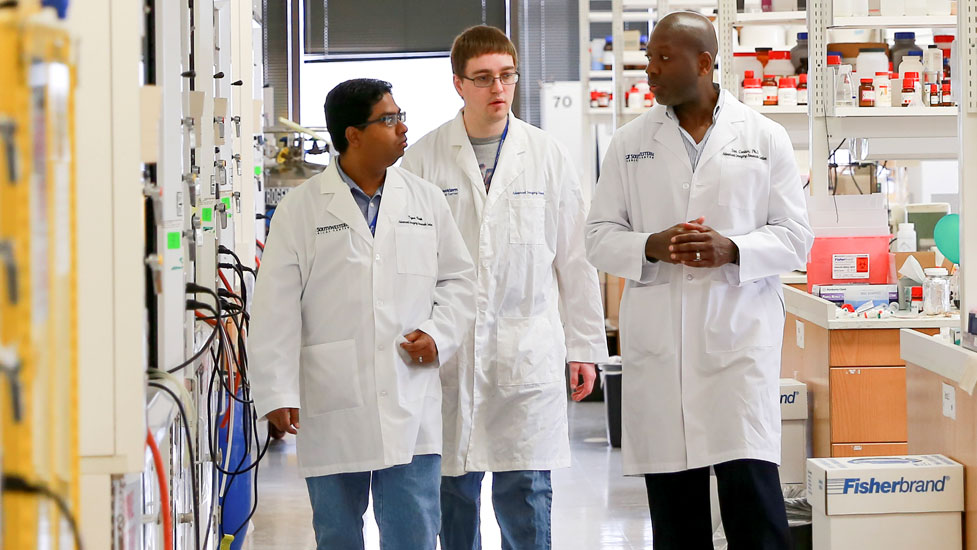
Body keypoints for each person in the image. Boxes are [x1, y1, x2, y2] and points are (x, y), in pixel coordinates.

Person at [584, 12, 814, 550]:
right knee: (676, 521)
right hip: (663, 352)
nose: (650, 71)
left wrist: (732, 249)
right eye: (649, 59)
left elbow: (796, 237)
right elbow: (597, 236)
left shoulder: (765, 137)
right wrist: (650, 245)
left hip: (737, 348)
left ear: (705, 63)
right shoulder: (629, 142)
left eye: (663, 58)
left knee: (755, 513)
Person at [401, 25, 608, 550]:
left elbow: (576, 259)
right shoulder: (423, 159)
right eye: (485, 78)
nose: (498, 88)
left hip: (527, 349)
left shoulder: (547, 155)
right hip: (449, 350)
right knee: (454, 492)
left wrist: (585, 348)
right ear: (458, 84)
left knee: (526, 491)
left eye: (508, 76)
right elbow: (405, 264)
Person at [249, 78, 476, 550]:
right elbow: (274, 306)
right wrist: (275, 389)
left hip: (407, 395)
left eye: (401, 115)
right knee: (336, 535)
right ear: (353, 134)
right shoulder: (301, 209)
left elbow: (459, 281)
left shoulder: (425, 201)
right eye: (389, 119)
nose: (403, 127)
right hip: (334, 397)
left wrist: (440, 333)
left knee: (413, 531)